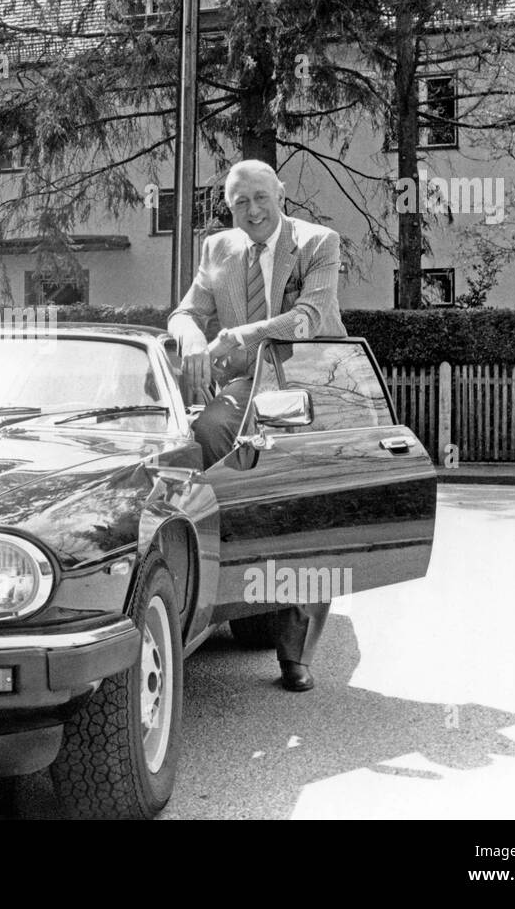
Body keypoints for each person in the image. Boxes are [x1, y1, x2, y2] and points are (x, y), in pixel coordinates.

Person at [166, 159, 346, 692]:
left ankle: (296, 653)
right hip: (244, 388)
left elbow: (309, 319)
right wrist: (193, 337)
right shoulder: (217, 248)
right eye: (240, 201)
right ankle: (204, 573)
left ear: (282, 193)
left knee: (302, 506)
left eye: (261, 197)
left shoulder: (318, 243)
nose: (252, 210)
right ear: (229, 205)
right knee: (208, 435)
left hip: (307, 382)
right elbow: (185, 313)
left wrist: (238, 336)